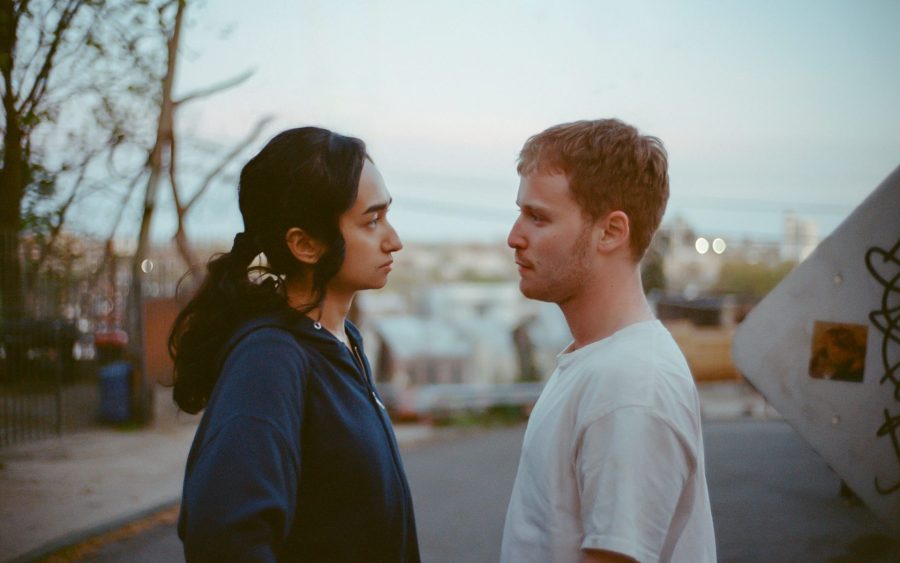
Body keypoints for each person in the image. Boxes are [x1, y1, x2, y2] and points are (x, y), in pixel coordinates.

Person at [169, 127, 420, 562]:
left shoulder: (340, 341)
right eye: (372, 221)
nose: (393, 239)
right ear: (305, 244)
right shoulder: (270, 360)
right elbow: (224, 539)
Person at [500, 119, 716, 563]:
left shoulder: (630, 385)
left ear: (611, 232)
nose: (514, 237)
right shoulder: (599, 362)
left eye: (538, 217)